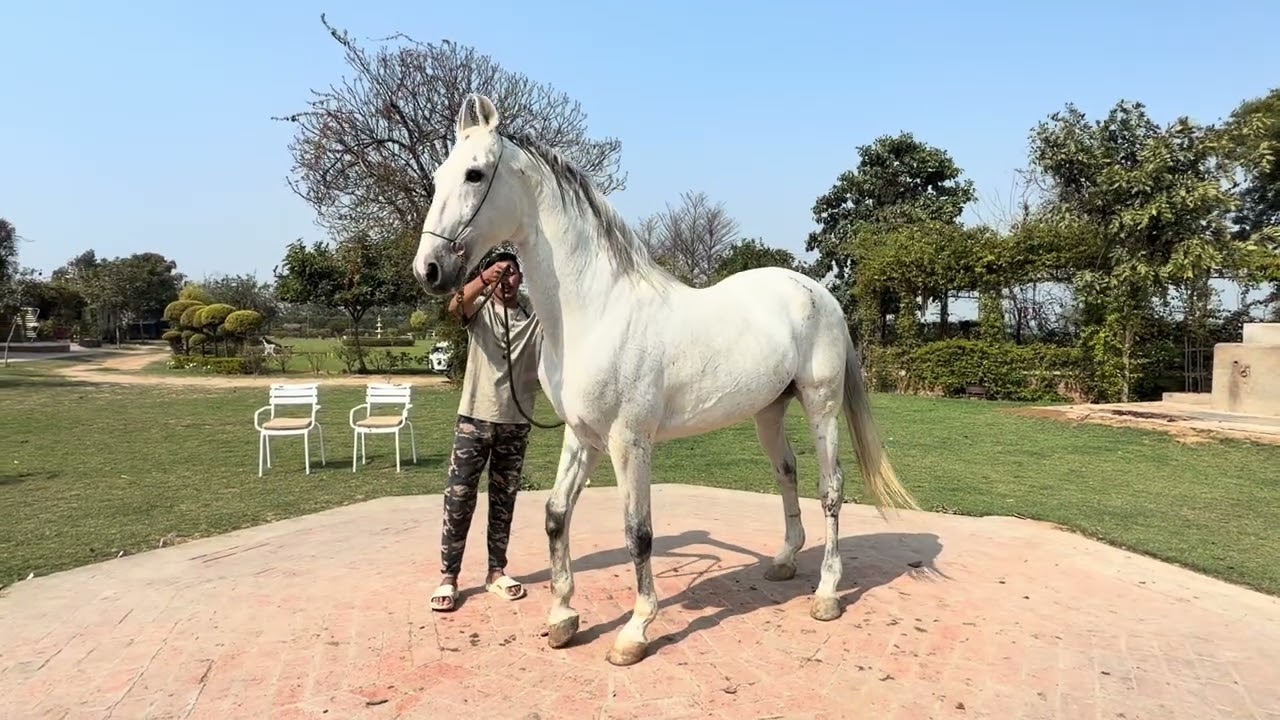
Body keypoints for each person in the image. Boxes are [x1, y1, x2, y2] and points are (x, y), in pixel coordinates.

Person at [430, 249, 543, 612]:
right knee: (459, 498)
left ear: (521, 279)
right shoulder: (478, 312)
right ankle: (449, 576)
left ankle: (496, 571)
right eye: (501, 273)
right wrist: (483, 277)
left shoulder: (533, 318)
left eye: (512, 273)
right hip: (474, 419)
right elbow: (454, 307)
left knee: (503, 501)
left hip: (516, 423)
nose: (506, 280)